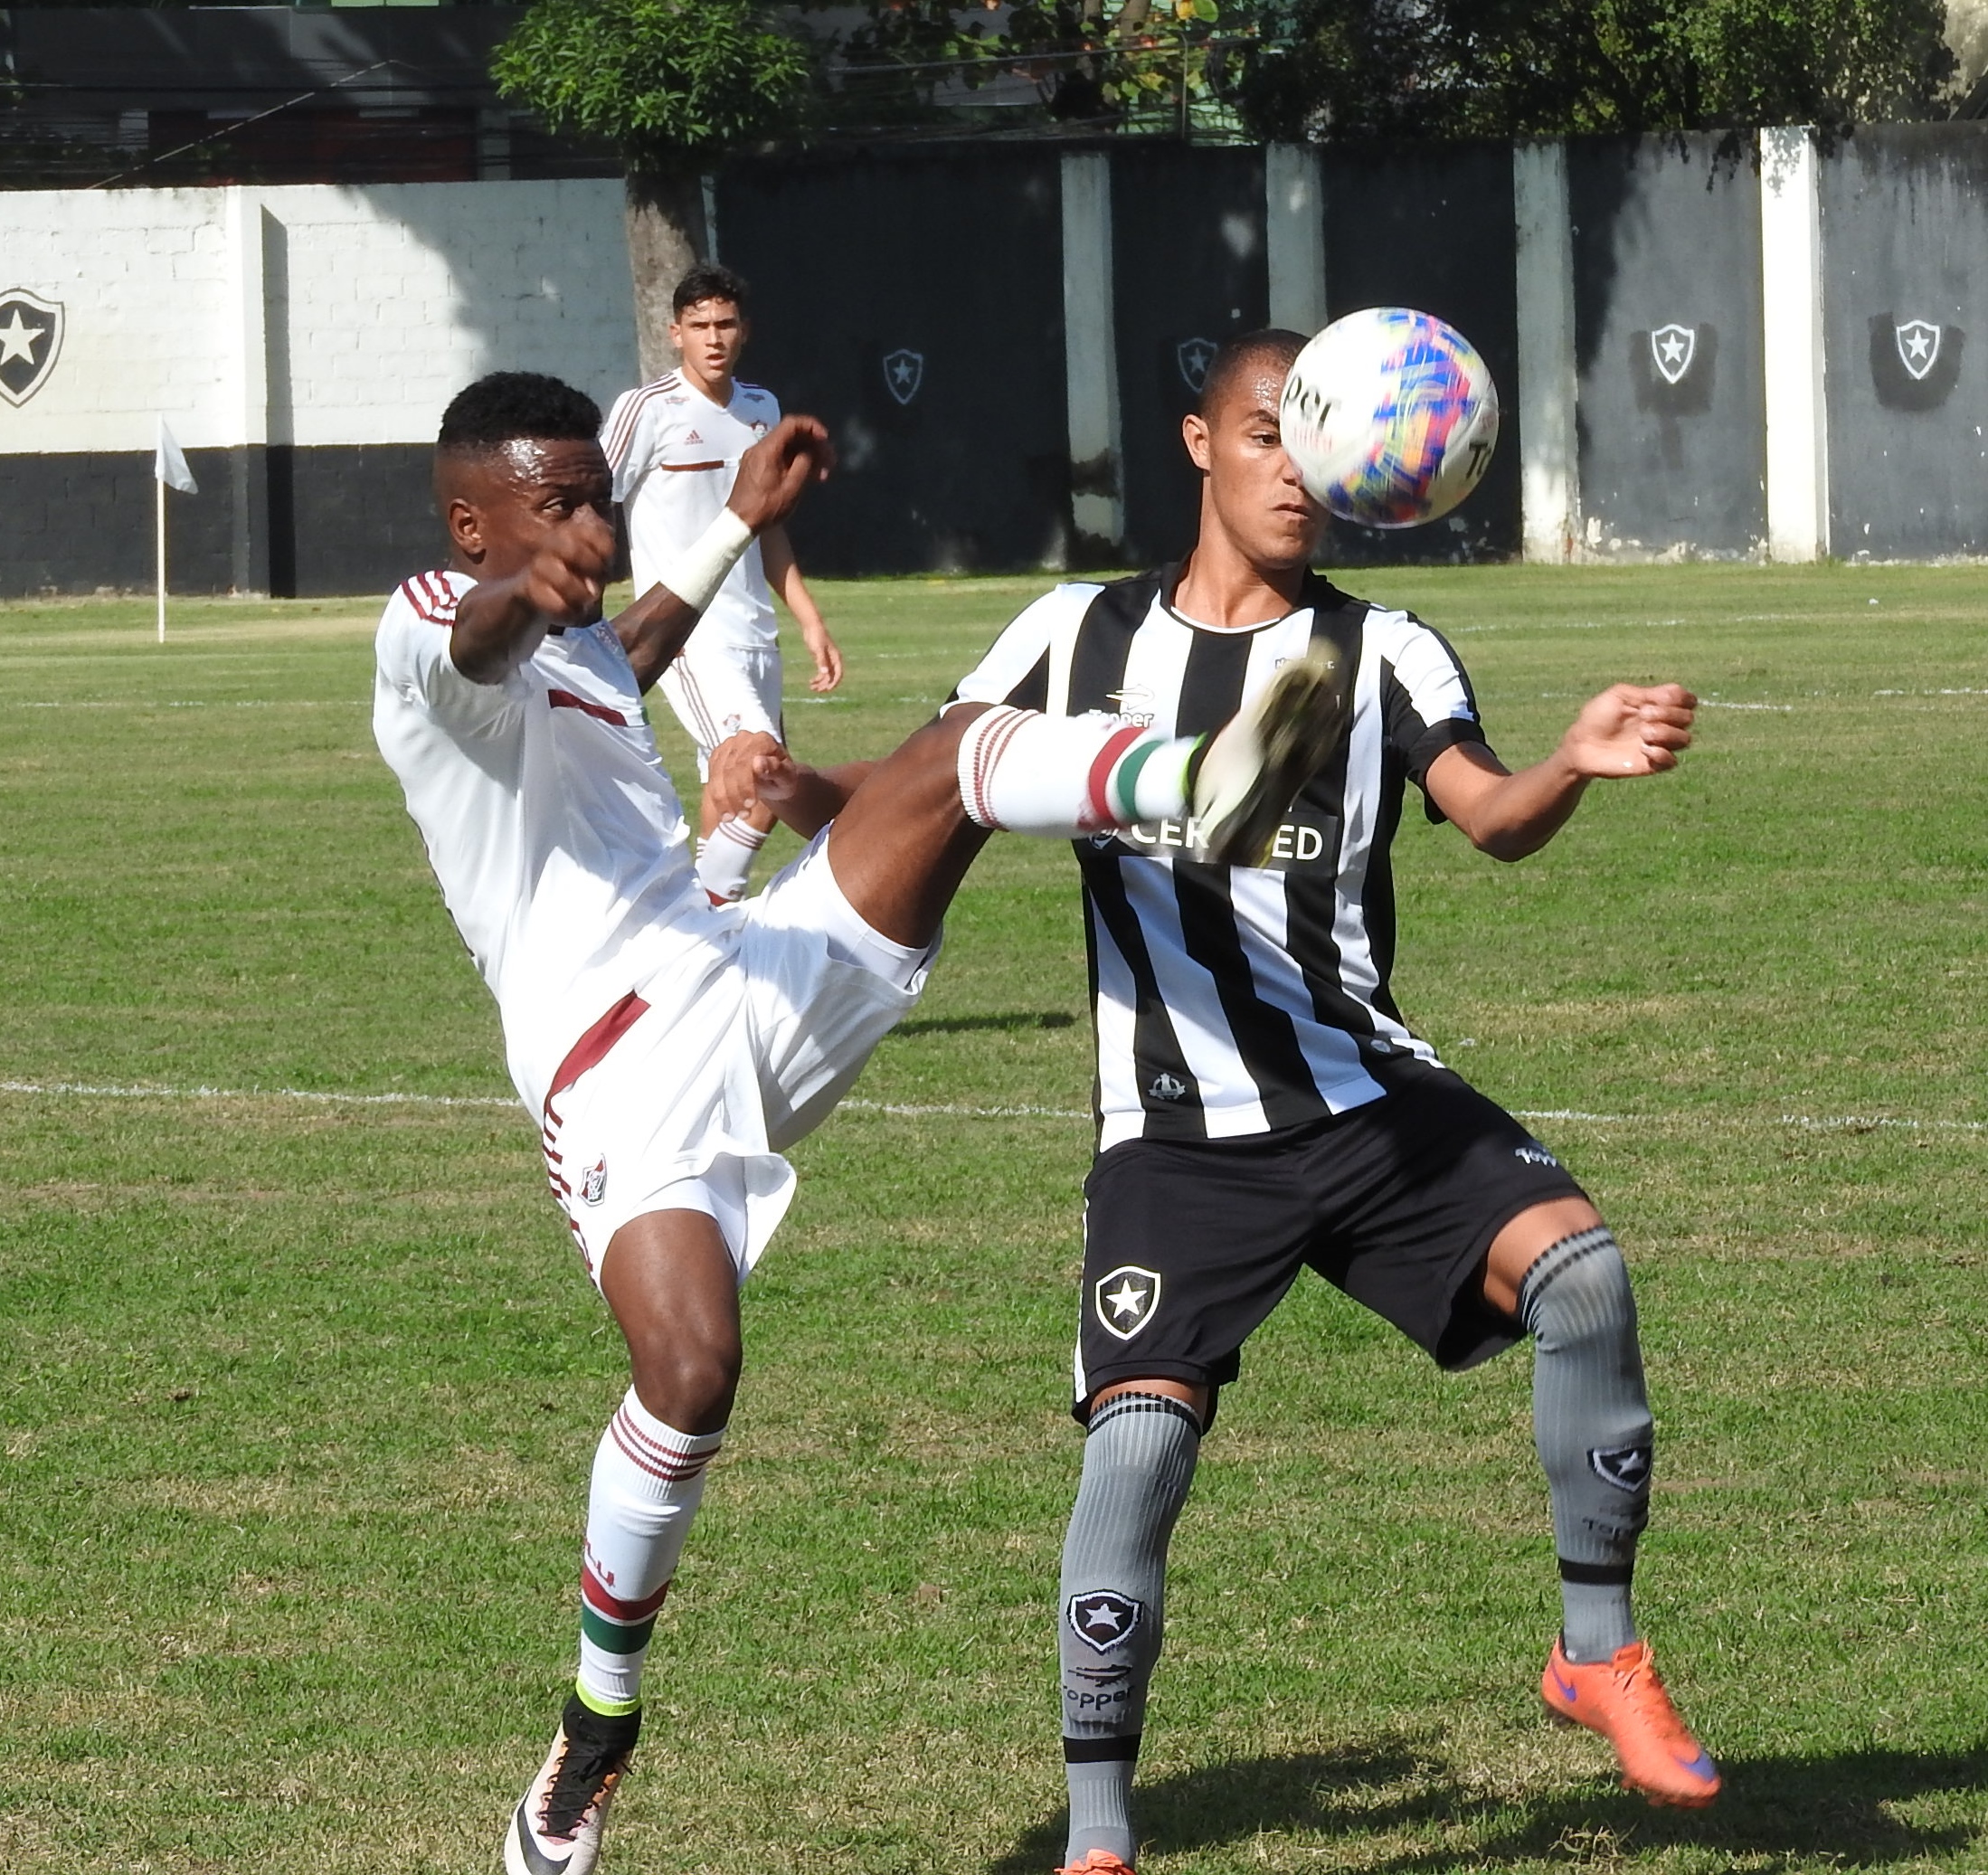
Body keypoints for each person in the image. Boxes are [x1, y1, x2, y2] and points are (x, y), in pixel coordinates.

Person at [370, 370, 1339, 1875]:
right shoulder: (429, 626)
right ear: (471, 518)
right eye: (554, 503)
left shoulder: (575, 644)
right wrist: (519, 581)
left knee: (954, 751)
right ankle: (594, 1720)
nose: (589, 524)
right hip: (611, 1068)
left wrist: (734, 527)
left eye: (593, 496)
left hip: (744, 970)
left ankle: (1186, 779)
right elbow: (480, 637)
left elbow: (611, 658)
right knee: (690, 1370)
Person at [945, 329, 1718, 1875]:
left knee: (1581, 1271)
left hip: (1367, 1102)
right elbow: (928, 776)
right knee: (1135, 1456)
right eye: (1261, 436)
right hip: (1172, 1142)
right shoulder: (1069, 636)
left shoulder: (1385, 651)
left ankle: (1593, 1648)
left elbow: (1487, 817)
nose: (1292, 472)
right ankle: (1099, 1832)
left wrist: (1566, 758)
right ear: (1196, 444)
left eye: (1316, 446)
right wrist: (790, 788)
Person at [601, 262, 842, 905]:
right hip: (686, 634)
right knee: (762, 770)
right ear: (674, 331)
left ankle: (706, 922)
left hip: (752, 631)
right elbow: (592, 504)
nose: (713, 338)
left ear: (744, 332)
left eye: (725, 324)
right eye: (699, 325)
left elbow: (766, 526)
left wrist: (808, 618)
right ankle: (710, 919)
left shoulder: (760, 408)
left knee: (731, 779)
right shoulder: (646, 409)